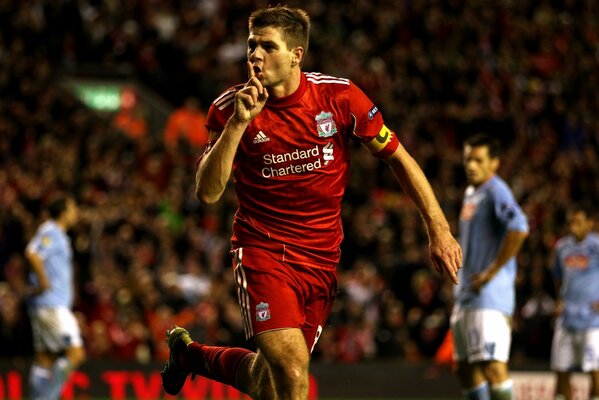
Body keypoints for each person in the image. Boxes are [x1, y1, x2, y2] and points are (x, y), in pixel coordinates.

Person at [161, 6, 462, 399]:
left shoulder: (338, 97)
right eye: (252, 44)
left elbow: (398, 157)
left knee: (272, 384)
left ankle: (191, 357)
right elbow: (207, 192)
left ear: (296, 55)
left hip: (321, 261)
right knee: (293, 372)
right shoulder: (228, 108)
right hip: (263, 252)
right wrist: (238, 124)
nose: (254, 54)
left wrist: (438, 228)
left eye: (268, 46)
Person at [450, 133, 529, 400]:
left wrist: (492, 272)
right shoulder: (472, 193)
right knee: (465, 369)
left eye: (478, 160)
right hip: (467, 296)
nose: (471, 165)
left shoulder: (497, 190)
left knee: (493, 367)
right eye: (467, 159)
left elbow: (519, 228)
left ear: (494, 163)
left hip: (489, 297)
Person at [24, 194, 86, 400]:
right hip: (52, 305)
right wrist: (43, 282)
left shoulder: (59, 234)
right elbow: (32, 253)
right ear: (63, 212)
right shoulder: (50, 230)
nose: (76, 212)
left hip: (47, 305)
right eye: (73, 208)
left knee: (45, 359)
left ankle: (37, 397)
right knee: (76, 354)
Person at [550, 205, 599, 400]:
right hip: (566, 317)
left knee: (595, 371)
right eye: (570, 222)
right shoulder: (562, 247)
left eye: (578, 222)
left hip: (592, 320)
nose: (573, 227)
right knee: (561, 370)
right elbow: (557, 276)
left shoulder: (596, 245)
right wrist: (559, 299)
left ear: (589, 223)